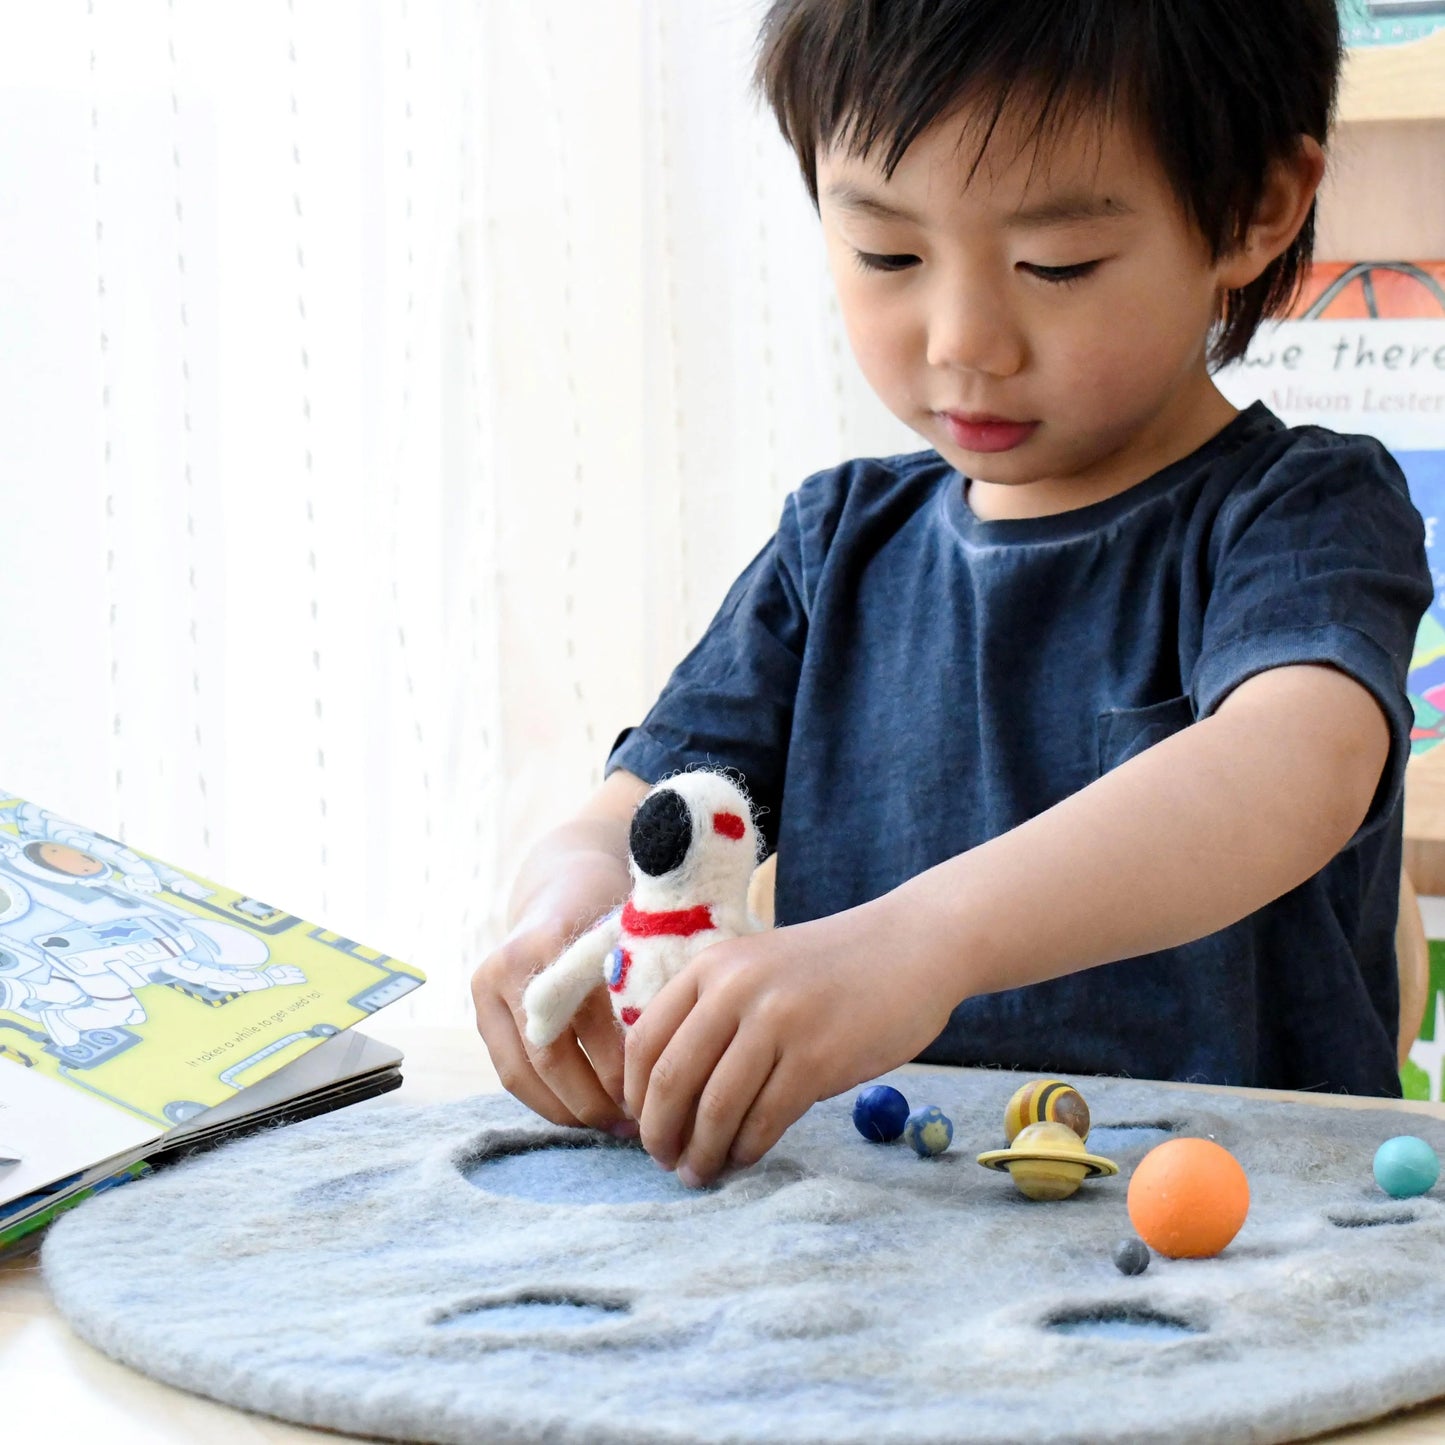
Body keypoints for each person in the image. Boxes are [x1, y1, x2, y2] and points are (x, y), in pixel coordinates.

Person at [472, 0, 1432, 1189]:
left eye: (1054, 265)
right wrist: (561, 902)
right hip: (892, 1240)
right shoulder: (833, 548)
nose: (963, 340)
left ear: (1252, 211)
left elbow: (1292, 769)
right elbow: (641, 811)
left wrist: (913, 946)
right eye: (887, 254)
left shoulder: (1302, 510)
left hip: (1243, 1244)